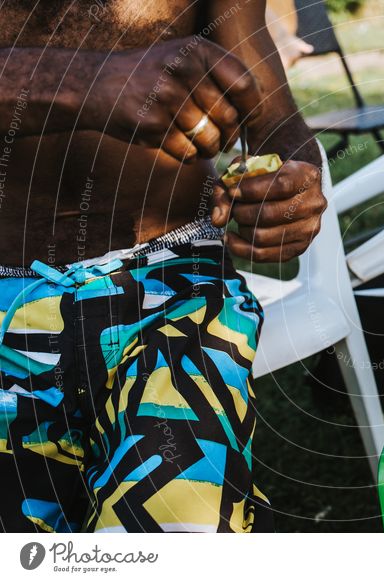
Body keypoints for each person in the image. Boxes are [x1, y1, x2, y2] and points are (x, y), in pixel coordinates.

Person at [0, 0, 327, 533]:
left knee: (174, 529)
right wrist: (86, 81)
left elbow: (269, 110)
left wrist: (292, 178)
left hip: (174, 290)